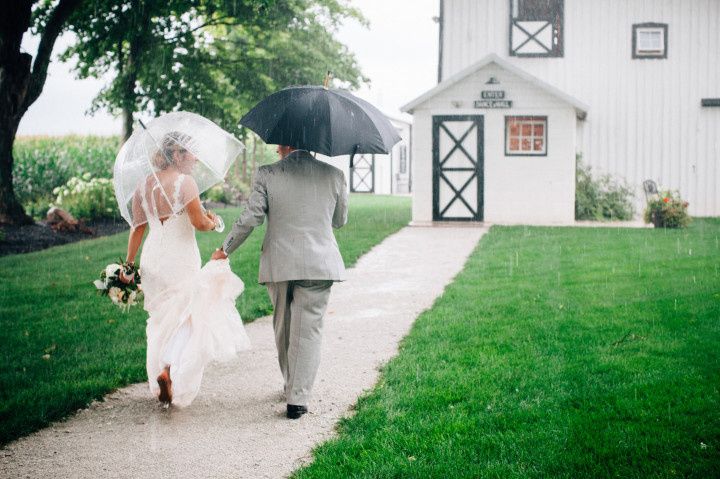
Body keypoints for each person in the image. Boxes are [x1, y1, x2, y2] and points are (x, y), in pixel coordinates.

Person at [211, 145, 348, 419]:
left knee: (283, 326)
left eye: (278, 144)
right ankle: (297, 396)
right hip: (319, 264)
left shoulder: (267, 174)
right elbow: (339, 220)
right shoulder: (335, 174)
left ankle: (292, 387)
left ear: (287, 143)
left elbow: (252, 217)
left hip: (280, 262)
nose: (275, 149)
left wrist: (225, 248)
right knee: (308, 330)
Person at [123, 132, 250, 407]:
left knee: (160, 319)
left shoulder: (143, 186)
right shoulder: (186, 183)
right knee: (187, 316)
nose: (196, 159)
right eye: (192, 153)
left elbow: (137, 228)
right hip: (180, 259)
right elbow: (198, 223)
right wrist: (214, 222)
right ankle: (168, 368)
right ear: (178, 155)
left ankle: (161, 370)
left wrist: (129, 265)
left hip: (152, 259)